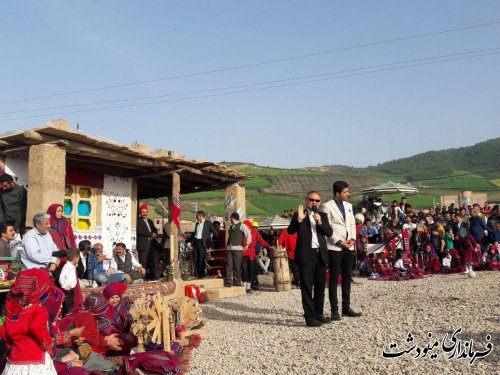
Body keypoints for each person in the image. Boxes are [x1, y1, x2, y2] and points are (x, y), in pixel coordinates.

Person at [288, 191, 333, 327]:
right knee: (307, 287)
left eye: (317, 200)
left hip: (320, 255)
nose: (314, 202)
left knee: (320, 287)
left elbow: (329, 232)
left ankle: (319, 314)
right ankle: (309, 317)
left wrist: (319, 221)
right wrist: (299, 220)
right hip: (306, 255)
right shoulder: (299, 215)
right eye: (312, 200)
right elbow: (290, 231)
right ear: (306, 200)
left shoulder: (323, 215)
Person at [0, 269, 57, 374]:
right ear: (38, 289)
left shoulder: (13, 312)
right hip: (36, 363)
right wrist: (49, 344)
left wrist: (12, 344)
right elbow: (36, 327)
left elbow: (3, 331)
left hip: (14, 362)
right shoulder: (39, 310)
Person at [321, 181, 362, 320]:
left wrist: (353, 240)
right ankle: (334, 310)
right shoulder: (326, 206)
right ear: (337, 193)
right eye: (345, 192)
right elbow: (327, 227)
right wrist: (339, 242)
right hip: (335, 247)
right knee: (333, 278)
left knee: (347, 276)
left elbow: (351, 224)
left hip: (349, 246)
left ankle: (346, 307)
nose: (348, 194)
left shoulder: (349, 206)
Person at [242, 220, 272, 293]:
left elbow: (261, 241)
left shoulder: (255, 232)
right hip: (243, 252)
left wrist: (269, 246)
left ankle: (248, 287)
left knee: (251, 270)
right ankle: (244, 286)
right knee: (244, 269)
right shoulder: (241, 232)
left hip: (252, 253)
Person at [225, 212, 251, 288]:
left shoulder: (242, 225)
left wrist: (247, 244)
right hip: (230, 248)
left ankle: (237, 281)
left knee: (237, 266)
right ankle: (229, 281)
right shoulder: (231, 226)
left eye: (231, 218)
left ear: (233, 218)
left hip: (238, 249)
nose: (230, 219)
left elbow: (248, 234)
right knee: (229, 265)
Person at [190, 211, 219, 278]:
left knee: (201, 259)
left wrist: (218, 237)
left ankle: (201, 274)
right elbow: (195, 233)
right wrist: (190, 240)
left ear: (200, 216)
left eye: (197, 216)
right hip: (196, 242)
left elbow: (214, 231)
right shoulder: (197, 223)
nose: (196, 217)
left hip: (202, 243)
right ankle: (196, 274)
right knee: (195, 259)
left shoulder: (208, 223)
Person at [136, 204, 159, 279]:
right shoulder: (138, 221)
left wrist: (154, 234)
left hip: (151, 244)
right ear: (140, 212)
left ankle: (154, 278)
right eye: (143, 212)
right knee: (143, 263)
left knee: (153, 261)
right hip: (143, 245)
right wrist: (151, 234)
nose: (144, 213)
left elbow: (154, 229)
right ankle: (143, 278)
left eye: (146, 212)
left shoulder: (150, 221)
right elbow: (140, 231)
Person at [59, 248, 80, 315]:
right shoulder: (67, 267)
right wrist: (65, 286)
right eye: (78, 258)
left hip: (71, 290)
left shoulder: (72, 266)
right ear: (75, 258)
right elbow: (62, 277)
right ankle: (66, 318)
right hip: (67, 291)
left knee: (71, 305)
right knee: (67, 306)